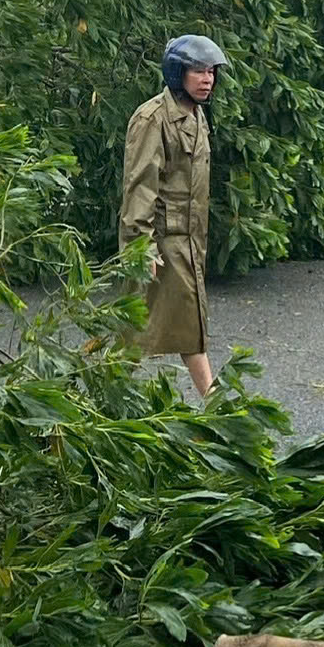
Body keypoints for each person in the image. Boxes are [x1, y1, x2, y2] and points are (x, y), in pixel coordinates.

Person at [121, 34, 226, 401]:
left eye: (211, 71)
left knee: (185, 329)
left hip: (188, 242)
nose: (207, 78)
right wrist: (140, 247)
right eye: (198, 70)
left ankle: (215, 405)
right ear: (177, 72)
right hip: (162, 242)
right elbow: (140, 187)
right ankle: (96, 398)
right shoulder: (153, 118)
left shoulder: (196, 117)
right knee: (134, 332)